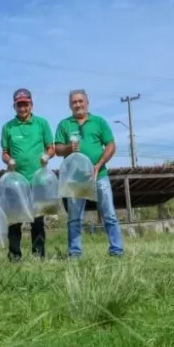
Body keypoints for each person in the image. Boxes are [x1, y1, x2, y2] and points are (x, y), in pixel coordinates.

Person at [54, 89, 124, 258]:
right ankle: (75, 253)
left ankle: (116, 250)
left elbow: (111, 145)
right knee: (74, 218)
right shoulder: (64, 124)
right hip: (74, 180)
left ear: (87, 102)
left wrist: (98, 165)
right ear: (70, 105)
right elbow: (57, 149)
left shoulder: (99, 122)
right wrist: (69, 148)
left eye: (80, 101)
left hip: (99, 176)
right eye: (74, 102)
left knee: (109, 214)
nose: (78, 105)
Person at [0, 88, 55, 260]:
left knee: (37, 220)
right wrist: (8, 160)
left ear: (31, 105)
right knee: (15, 220)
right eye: (19, 105)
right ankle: (15, 255)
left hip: (37, 179)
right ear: (14, 106)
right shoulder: (8, 127)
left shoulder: (41, 123)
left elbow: (51, 147)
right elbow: (4, 152)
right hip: (16, 181)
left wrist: (47, 156)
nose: (22, 108)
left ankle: (38, 255)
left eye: (25, 104)